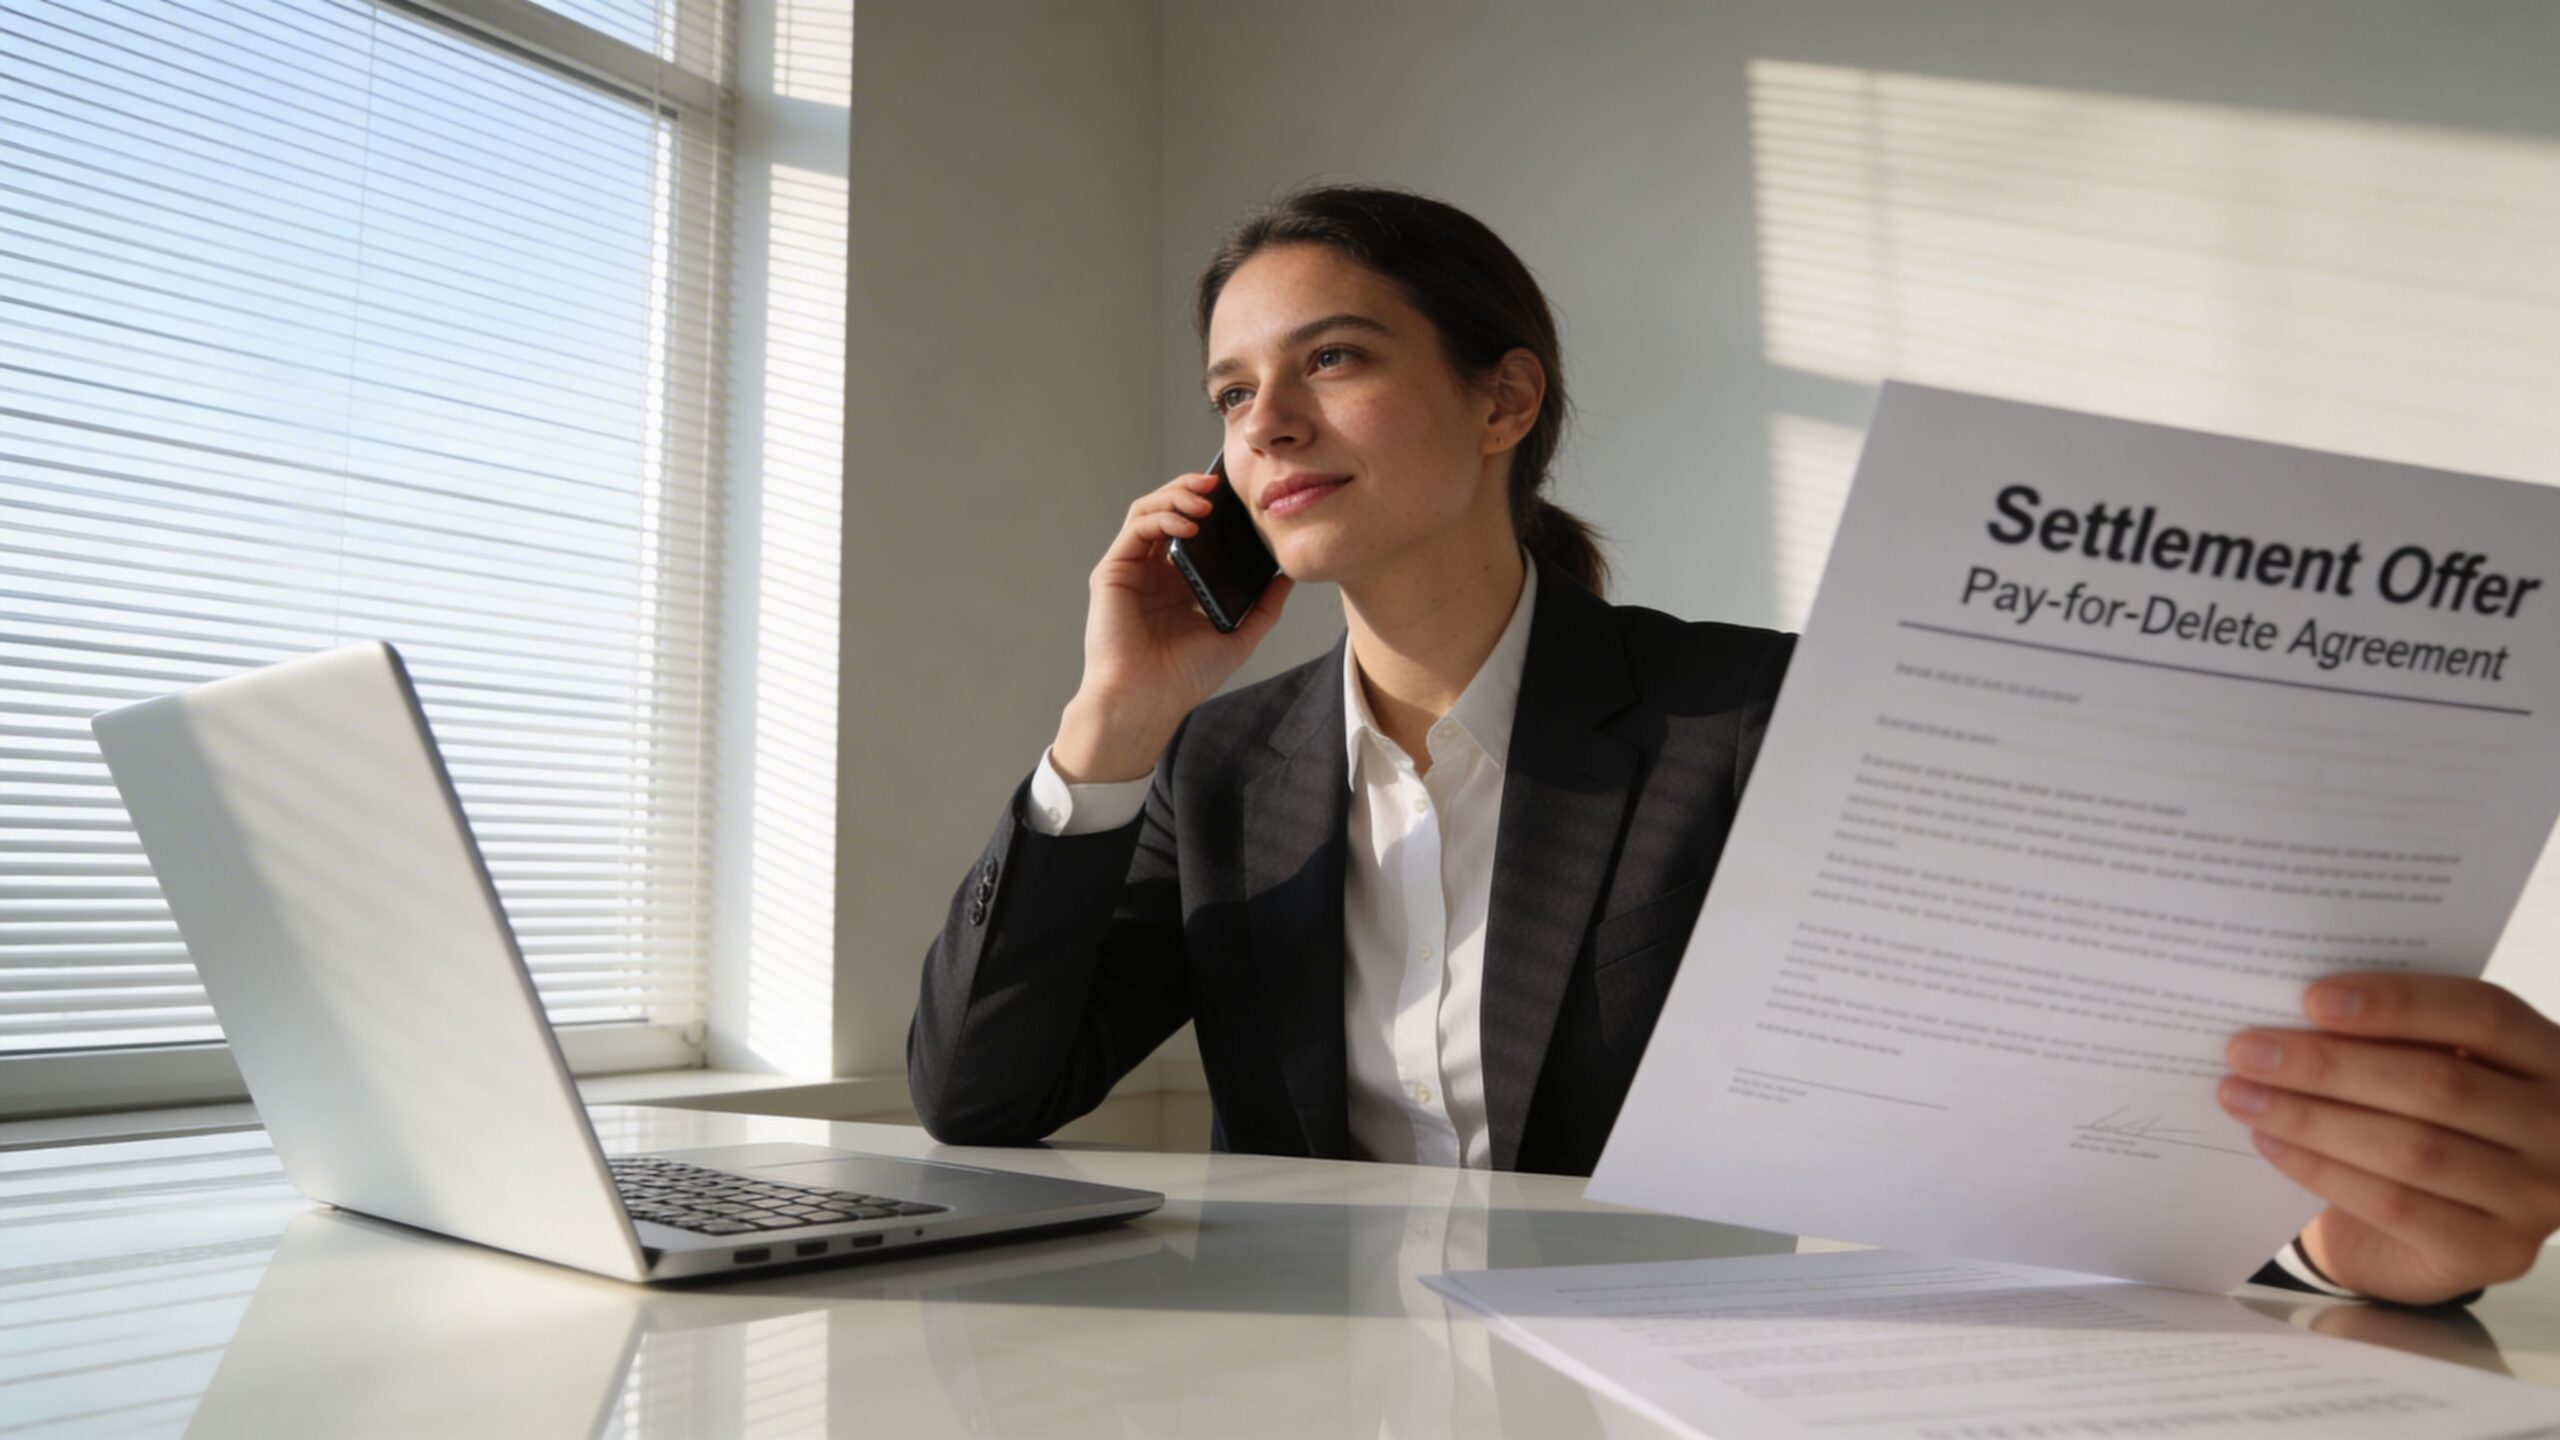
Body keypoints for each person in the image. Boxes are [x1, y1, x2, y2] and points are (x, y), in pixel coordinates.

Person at [907, 183, 2560, 1309]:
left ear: (1504, 403)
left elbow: (2046, 1121)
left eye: (1331, 360)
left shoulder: (1760, 717)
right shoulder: (1214, 767)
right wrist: (1110, 722)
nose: (1263, 424)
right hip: (1302, 1379)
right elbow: (983, 1098)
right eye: (1231, 390)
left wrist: (2345, 1252)